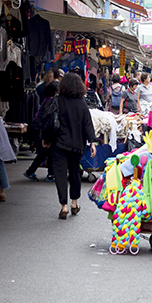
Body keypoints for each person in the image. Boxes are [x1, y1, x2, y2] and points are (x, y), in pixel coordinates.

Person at [42, 72, 97, 219]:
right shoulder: (82, 104)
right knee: (75, 173)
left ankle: (64, 206)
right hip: (77, 145)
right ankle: (74, 203)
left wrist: (45, 138)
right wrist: (92, 142)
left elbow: (49, 120)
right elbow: (88, 124)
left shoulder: (57, 100)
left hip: (59, 143)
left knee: (60, 174)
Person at [24, 83, 58, 182]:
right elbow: (46, 119)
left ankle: (50, 174)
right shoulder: (50, 103)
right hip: (40, 129)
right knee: (44, 152)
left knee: (47, 151)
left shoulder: (47, 101)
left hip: (38, 128)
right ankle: (30, 172)